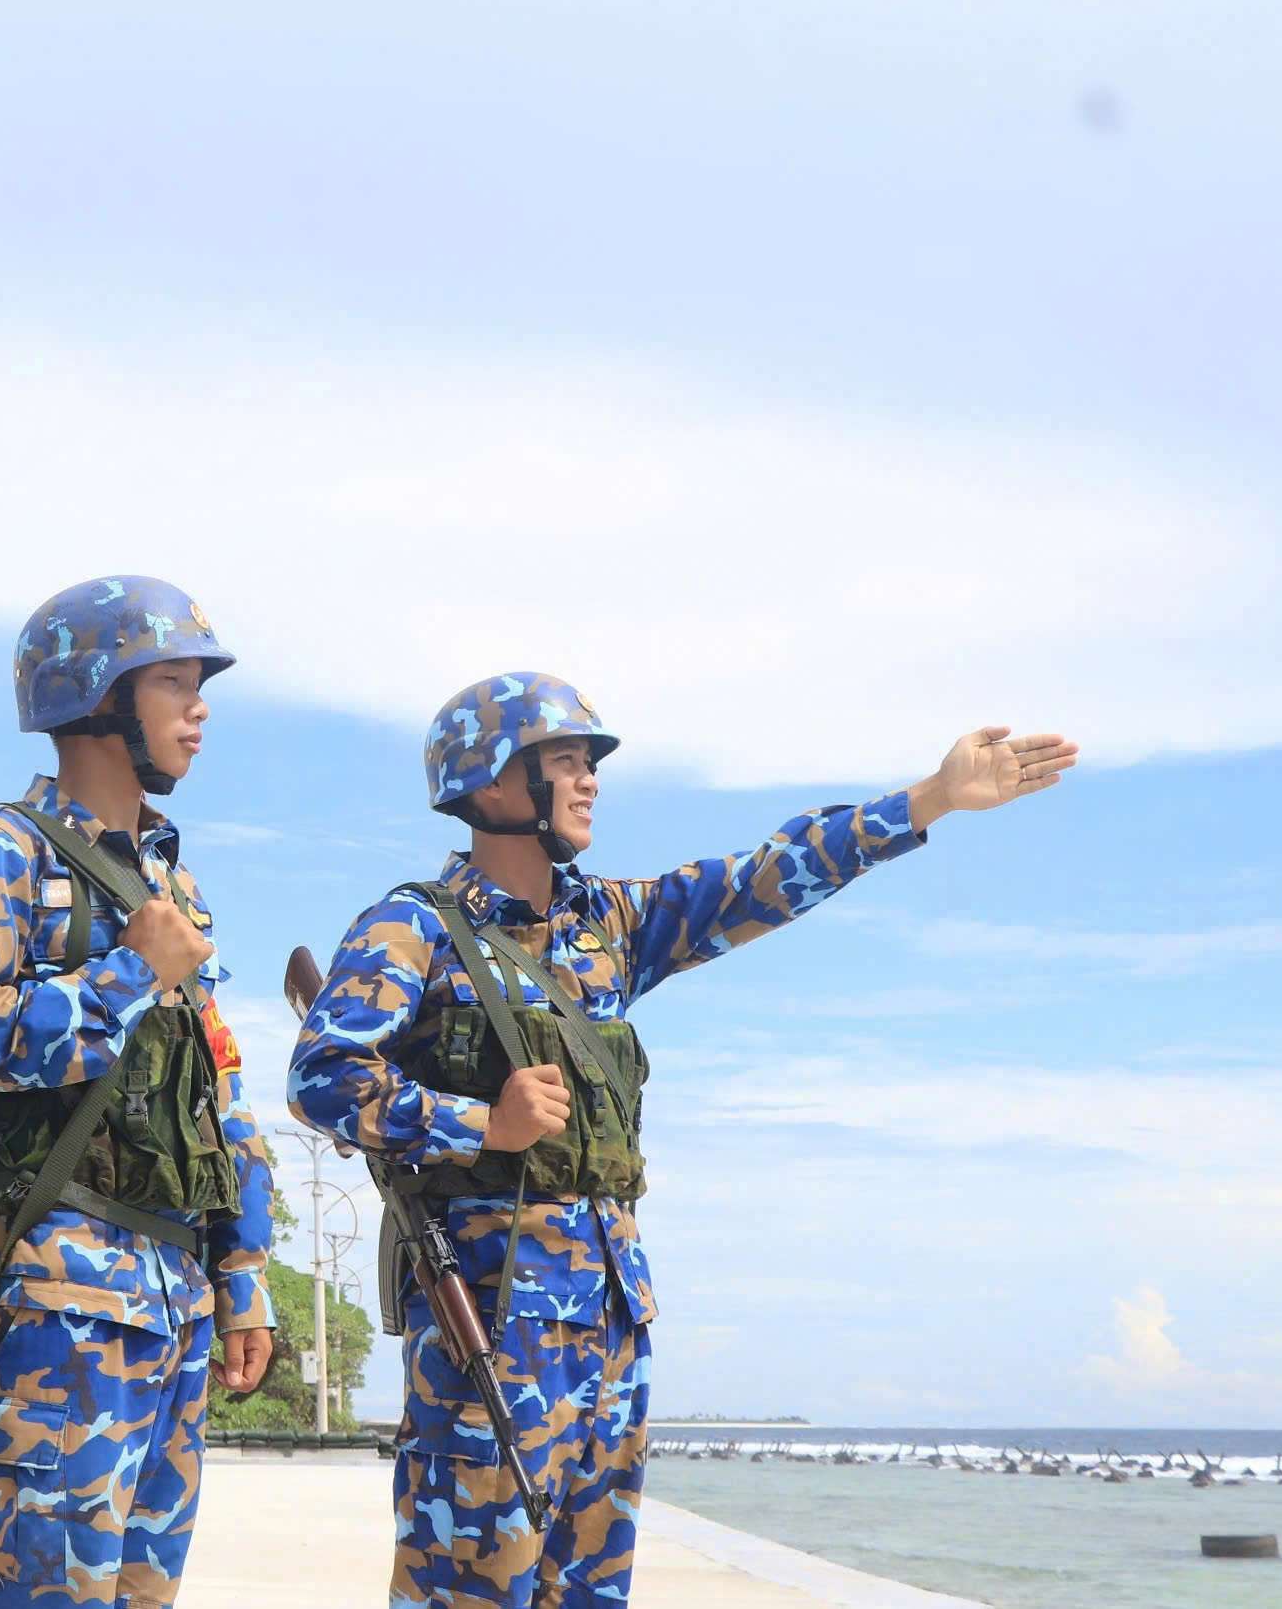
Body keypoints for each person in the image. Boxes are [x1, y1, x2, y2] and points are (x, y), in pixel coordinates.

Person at [287, 671, 1077, 1608]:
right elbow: (321, 1076)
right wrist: (482, 1122)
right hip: (490, 1333)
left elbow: (761, 877)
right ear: (494, 780)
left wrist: (930, 798)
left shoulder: (608, 926)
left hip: (613, 1330)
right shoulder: (414, 927)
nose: (590, 780)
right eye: (566, 760)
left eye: (589, 763)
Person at [0, 575, 279, 1609]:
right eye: (173, 682)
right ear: (99, 695)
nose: (199, 708)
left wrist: (241, 1267)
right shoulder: (3, 853)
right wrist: (127, 974)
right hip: (53, 1303)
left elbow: (216, 1088)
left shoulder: (172, 886)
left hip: (173, 1298)